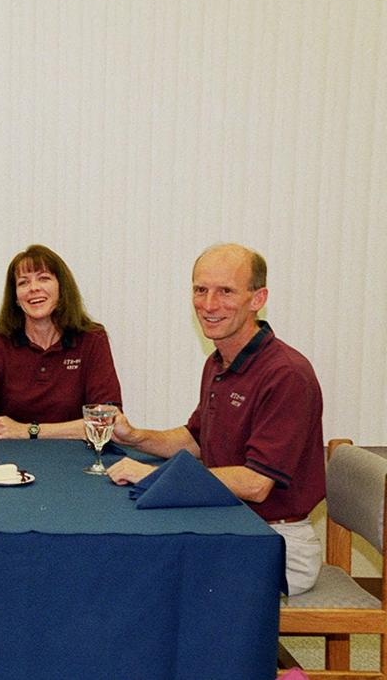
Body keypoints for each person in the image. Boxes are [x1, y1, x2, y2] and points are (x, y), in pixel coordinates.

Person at [106, 244, 324, 595]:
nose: (208, 305)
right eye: (200, 290)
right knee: (131, 562)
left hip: (276, 542)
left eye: (225, 291)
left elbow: (256, 483)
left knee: (151, 583)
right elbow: (196, 441)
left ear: (258, 298)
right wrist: (133, 436)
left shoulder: (286, 374)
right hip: (228, 522)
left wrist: (158, 477)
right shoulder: (220, 360)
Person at [0, 244, 122, 440]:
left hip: (78, 458)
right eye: (23, 282)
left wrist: (29, 430)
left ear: (62, 288)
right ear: (15, 297)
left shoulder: (92, 339)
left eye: (44, 278)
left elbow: (109, 423)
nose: (33, 288)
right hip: (9, 464)